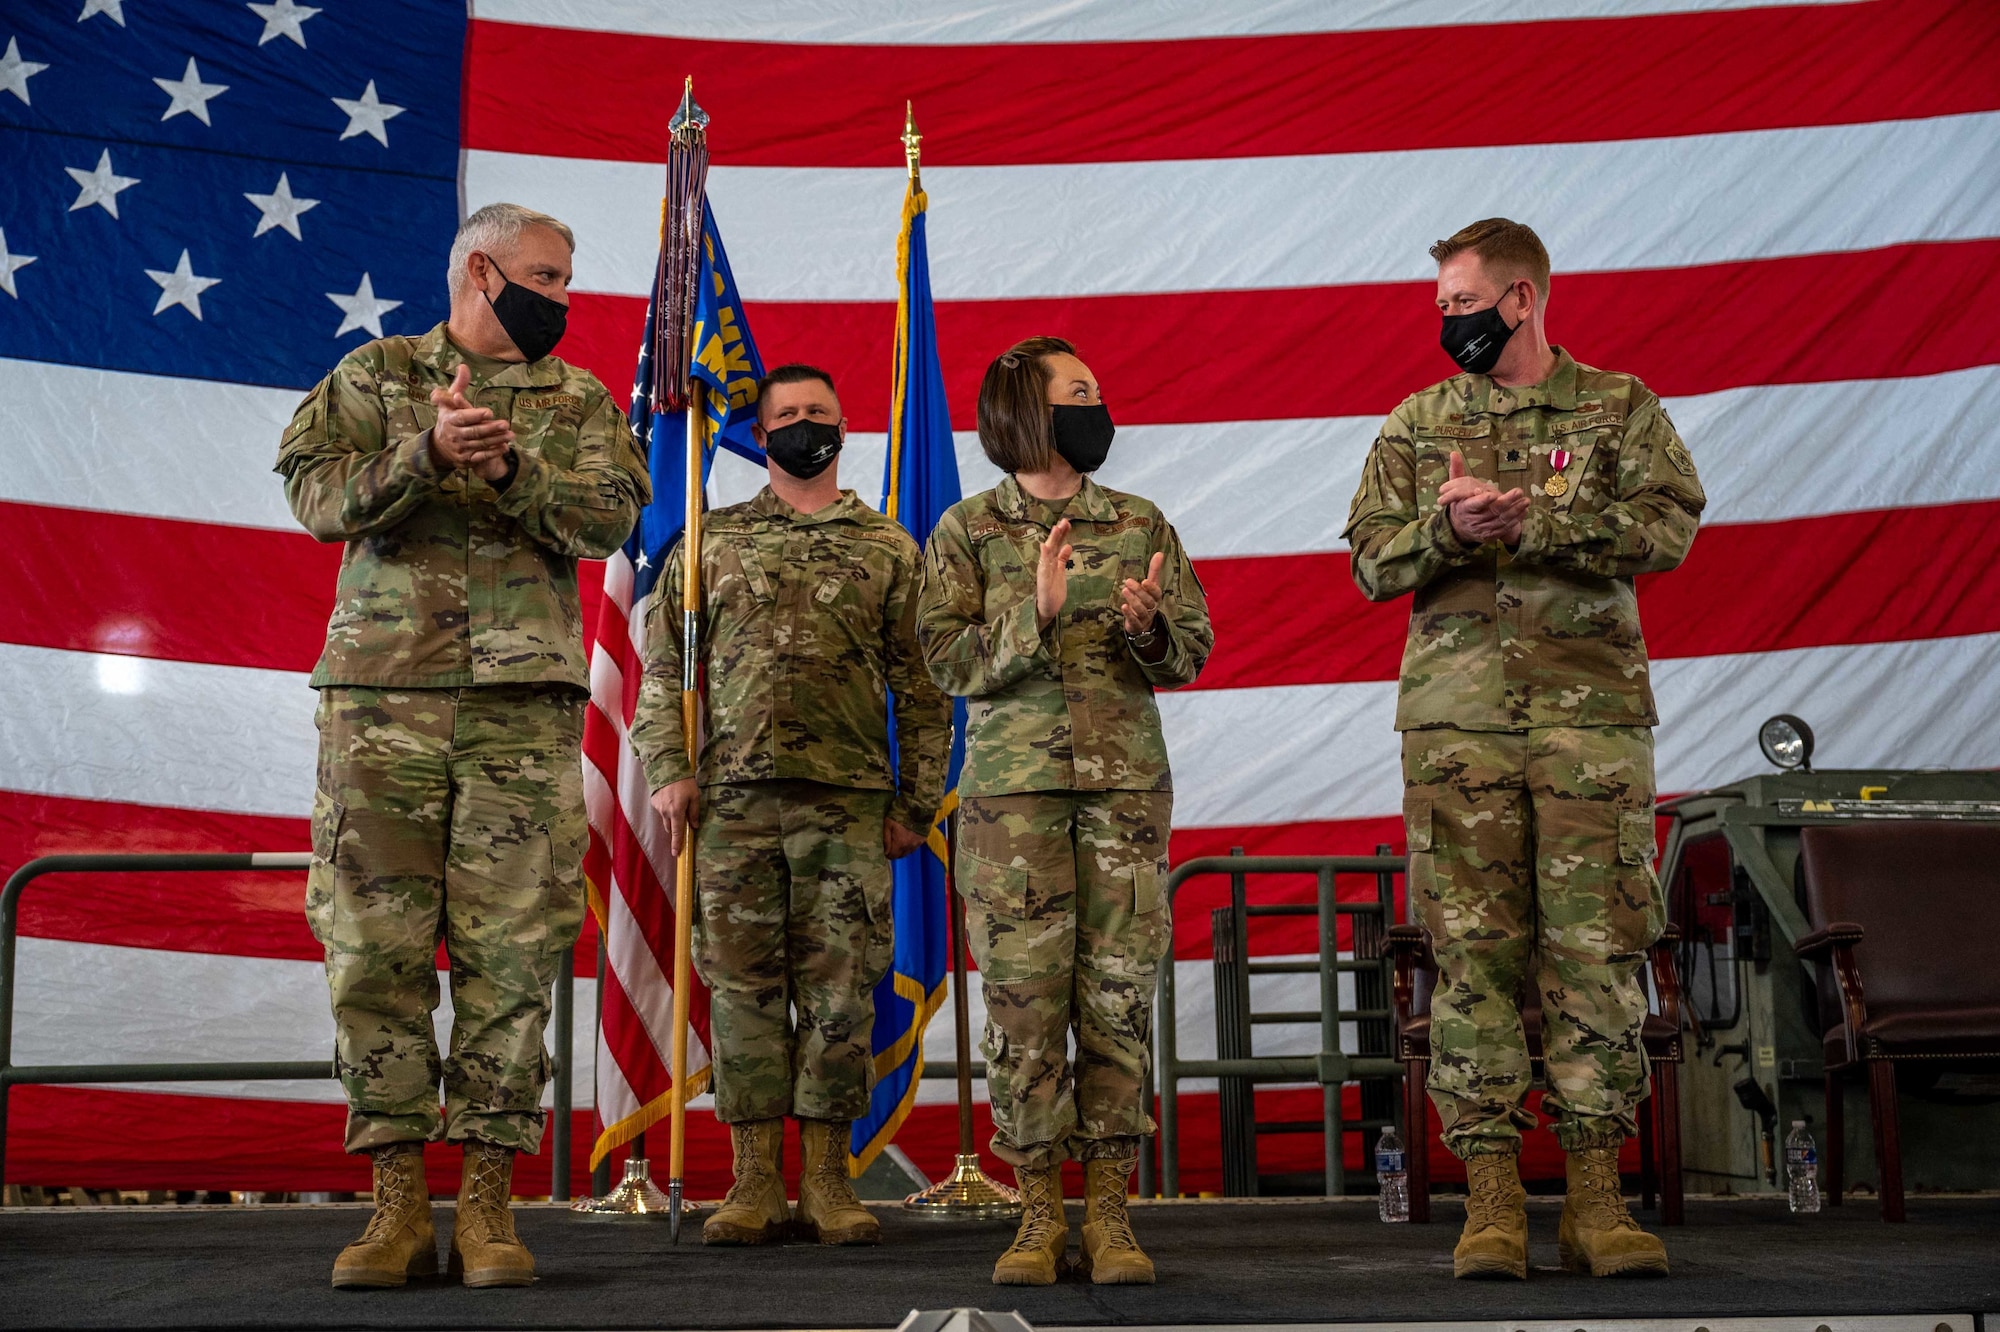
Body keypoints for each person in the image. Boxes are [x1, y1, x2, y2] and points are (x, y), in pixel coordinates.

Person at [277, 202, 649, 1290]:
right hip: (379, 708)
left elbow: (610, 522)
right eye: (546, 276)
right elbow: (315, 497)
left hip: (521, 715)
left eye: (570, 282)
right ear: (479, 271)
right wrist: (423, 451)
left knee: (513, 954)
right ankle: (394, 1206)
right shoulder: (372, 373)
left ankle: (489, 1205)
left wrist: (508, 475)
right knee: (371, 949)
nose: (563, 299)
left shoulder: (577, 401)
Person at [1344, 218, 1706, 1280]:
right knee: (1472, 965)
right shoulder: (1417, 423)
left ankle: (1596, 1198)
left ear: (1519, 299)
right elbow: (1368, 560)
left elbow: (1670, 527)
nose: (1445, 322)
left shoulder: (1618, 407)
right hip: (1458, 731)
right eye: (1439, 307)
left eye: (1461, 303)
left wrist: (1537, 526)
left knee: (1594, 956)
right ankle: (1489, 1199)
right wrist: (1447, 535)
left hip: (1588, 729)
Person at [629, 364, 951, 1248]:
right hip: (730, 803)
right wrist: (668, 768)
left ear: (844, 428)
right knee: (742, 995)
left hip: (849, 807)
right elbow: (663, 672)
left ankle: (827, 1180)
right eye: (788, 414)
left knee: (842, 996)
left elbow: (922, 692)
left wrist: (915, 806)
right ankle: (754, 1179)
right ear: (758, 434)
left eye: (819, 412)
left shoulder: (887, 548)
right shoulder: (710, 541)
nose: (804, 423)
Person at [916, 336, 1213, 1287]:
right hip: (1013, 806)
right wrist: (1032, 618)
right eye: (1078, 392)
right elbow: (945, 663)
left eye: (1096, 389)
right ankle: (1039, 1213)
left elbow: (1193, 649)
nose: (1097, 404)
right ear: (1026, 410)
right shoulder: (966, 530)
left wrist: (1149, 628)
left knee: (1118, 998)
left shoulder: (1139, 520)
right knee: (1024, 1006)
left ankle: (1112, 1215)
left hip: (1123, 795)